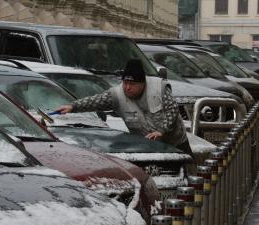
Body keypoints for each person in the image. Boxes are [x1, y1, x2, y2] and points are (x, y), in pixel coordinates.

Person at [56, 59, 193, 154]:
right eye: (125, 82)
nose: (127, 87)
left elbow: (172, 110)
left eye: (132, 84)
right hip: (145, 147)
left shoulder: (159, 88)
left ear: (142, 82)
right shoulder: (117, 94)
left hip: (176, 144)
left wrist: (161, 131)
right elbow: (96, 101)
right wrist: (73, 107)